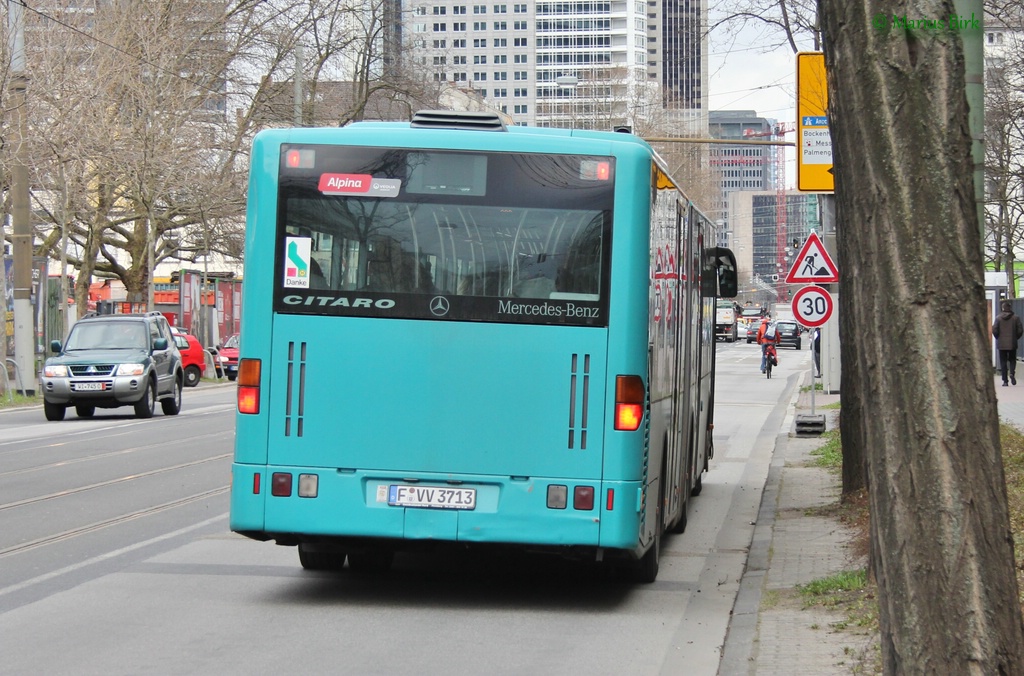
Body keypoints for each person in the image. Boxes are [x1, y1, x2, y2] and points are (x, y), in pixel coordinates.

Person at [992, 300, 1024, 386]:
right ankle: (1012, 373)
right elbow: (1020, 330)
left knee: (1003, 361)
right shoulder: (1016, 318)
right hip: (1012, 343)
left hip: (1001, 344)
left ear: (1003, 308)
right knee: (1012, 359)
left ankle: (1005, 381)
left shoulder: (998, 318)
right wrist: (1015, 337)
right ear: (1010, 308)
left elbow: (994, 330)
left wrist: (998, 337)